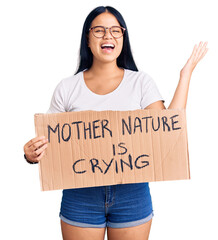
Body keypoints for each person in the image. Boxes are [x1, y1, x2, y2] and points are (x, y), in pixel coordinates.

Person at [23, 5, 208, 240]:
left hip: (132, 195)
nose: (108, 35)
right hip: (80, 197)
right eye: (99, 30)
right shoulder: (67, 88)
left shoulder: (141, 83)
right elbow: (50, 145)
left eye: (115, 30)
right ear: (87, 39)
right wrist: (31, 155)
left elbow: (169, 132)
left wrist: (186, 74)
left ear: (123, 38)